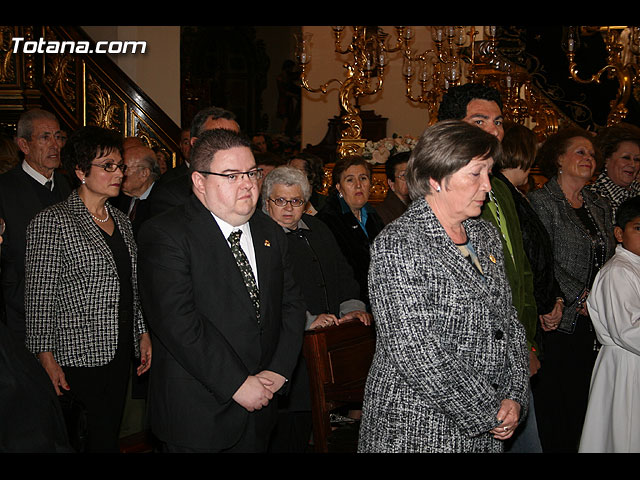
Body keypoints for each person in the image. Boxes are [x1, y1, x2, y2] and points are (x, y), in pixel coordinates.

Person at [358, 120, 529, 453]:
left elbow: (509, 323)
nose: (487, 187)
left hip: (487, 421)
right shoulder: (399, 244)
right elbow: (417, 353)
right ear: (436, 179)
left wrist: (514, 394)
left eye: (489, 173)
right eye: (475, 174)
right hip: (418, 427)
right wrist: (489, 410)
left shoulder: (485, 235)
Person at [137, 128, 306, 453]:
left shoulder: (269, 230)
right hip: (199, 412)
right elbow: (177, 322)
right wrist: (237, 384)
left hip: (263, 404)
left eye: (251, 173)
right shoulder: (165, 233)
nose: (247, 184)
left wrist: (280, 370)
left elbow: (291, 304)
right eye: (231, 176)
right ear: (200, 182)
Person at [24, 126, 151, 453]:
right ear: (81, 171)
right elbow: (39, 297)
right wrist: (45, 356)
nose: (118, 173)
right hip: (76, 356)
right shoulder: (53, 221)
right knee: (81, 440)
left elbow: (130, 285)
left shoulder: (121, 221)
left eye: (119, 165)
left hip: (119, 351)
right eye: (107, 166)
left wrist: (141, 332)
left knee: (107, 437)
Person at [439, 84, 541, 452]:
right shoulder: (432, 207)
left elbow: (520, 270)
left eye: (498, 121)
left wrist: (526, 342)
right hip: (463, 384)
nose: (494, 130)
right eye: (480, 120)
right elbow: (427, 343)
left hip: (508, 359)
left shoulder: (498, 188)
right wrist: (489, 407)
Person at [261, 165, 371, 452]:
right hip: (289, 351)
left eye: (296, 201)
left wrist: (352, 309)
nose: (288, 208)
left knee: (327, 429)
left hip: (329, 347)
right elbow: (269, 296)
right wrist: (307, 320)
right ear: (266, 201)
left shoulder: (318, 228)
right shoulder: (261, 237)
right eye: (280, 200)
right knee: (290, 433)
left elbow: (344, 275)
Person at [527, 127, 616, 452]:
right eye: (580, 152)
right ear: (559, 158)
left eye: (592, 155)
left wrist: (604, 296)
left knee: (588, 404)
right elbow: (542, 258)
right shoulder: (541, 201)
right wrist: (580, 296)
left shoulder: (598, 204)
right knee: (559, 407)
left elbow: (609, 255)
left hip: (598, 320)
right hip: (560, 319)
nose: (589, 159)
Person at [0, 109, 72, 342]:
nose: (55, 145)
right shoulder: (5, 189)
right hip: (22, 313)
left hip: (69, 315)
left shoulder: (70, 187)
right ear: (24, 145)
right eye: (45, 137)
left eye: (58, 137)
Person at [578, 196, 640, 453]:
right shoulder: (619, 271)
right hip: (626, 364)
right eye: (638, 228)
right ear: (619, 233)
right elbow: (627, 330)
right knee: (622, 434)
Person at [316, 156, 384, 307]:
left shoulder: (374, 216)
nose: (358, 185)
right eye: (350, 180)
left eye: (363, 178)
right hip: (348, 304)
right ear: (339, 187)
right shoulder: (327, 221)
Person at [147, 106, 240, 216]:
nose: (230, 148)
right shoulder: (170, 196)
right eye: (220, 140)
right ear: (196, 144)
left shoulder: (248, 186)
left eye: (236, 141)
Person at [588, 122, 640, 220]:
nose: (633, 165)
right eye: (626, 158)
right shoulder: (594, 198)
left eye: (637, 159)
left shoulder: (637, 190)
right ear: (606, 159)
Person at [112, 144, 161, 236]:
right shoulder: (116, 200)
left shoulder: (163, 202)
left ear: (144, 173)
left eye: (124, 168)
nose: (119, 174)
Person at [375, 150, 410, 225]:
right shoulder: (381, 212)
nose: (410, 179)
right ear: (391, 183)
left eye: (413, 174)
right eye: (404, 175)